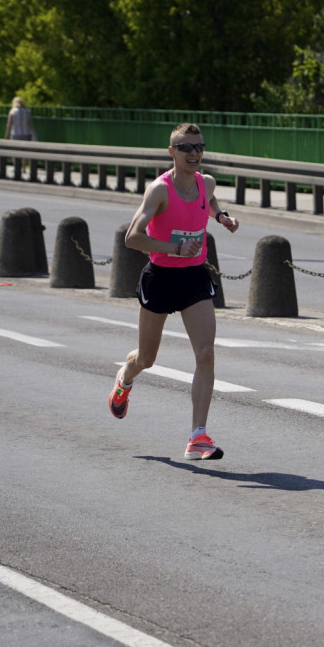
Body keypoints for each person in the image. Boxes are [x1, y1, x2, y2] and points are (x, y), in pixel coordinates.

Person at [108, 123, 240, 461]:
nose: (194, 153)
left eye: (199, 147)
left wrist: (221, 216)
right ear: (172, 152)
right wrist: (172, 247)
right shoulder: (159, 191)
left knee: (206, 354)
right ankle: (125, 379)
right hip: (161, 278)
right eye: (186, 148)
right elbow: (132, 237)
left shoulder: (206, 181)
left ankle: (198, 436)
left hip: (194, 277)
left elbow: (208, 200)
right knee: (146, 359)